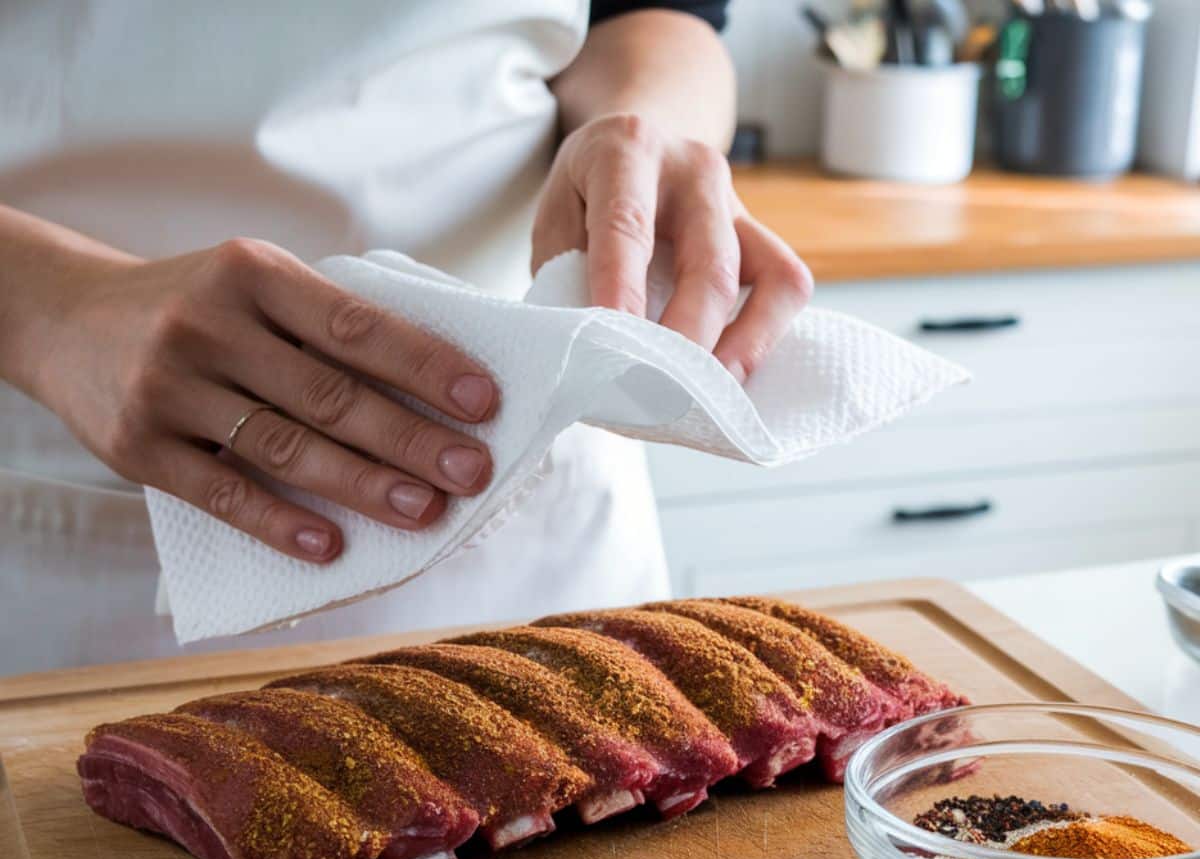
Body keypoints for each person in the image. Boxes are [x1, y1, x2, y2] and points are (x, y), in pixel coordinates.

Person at [0, 1, 813, 676]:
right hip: (71, 516)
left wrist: (642, 133)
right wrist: (52, 312)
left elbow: (653, 15)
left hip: (532, 495)